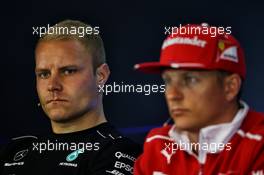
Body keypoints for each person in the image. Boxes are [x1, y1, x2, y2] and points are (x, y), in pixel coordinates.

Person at [0, 19, 141, 175]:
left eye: (68, 71)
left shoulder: (119, 153)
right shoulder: (14, 150)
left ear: (101, 76)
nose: (52, 85)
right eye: (44, 74)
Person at [133, 23, 264, 174]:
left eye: (190, 80)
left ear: (230, 87)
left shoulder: (259, 144)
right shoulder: (157, 143)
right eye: (168, 81)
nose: (172, 95)